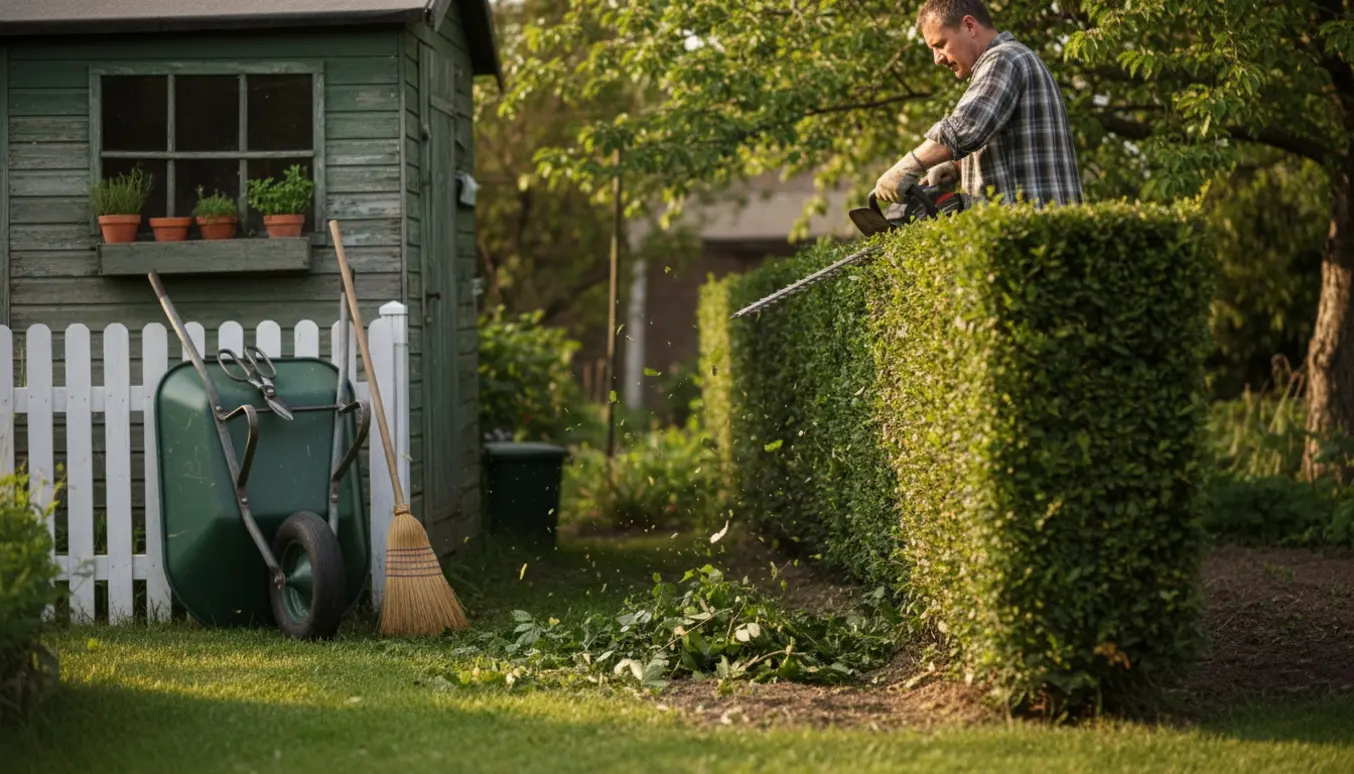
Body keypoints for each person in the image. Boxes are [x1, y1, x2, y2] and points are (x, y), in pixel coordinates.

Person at [873, 0, 1083, 208]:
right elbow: (1007, 144)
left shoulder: (1003, 59)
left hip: (1032, 231)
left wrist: (906, 167)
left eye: (940, 44)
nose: (937, 59)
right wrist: (956, 166)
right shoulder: (1012, 59)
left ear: (970, 26)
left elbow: (964, 129)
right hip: (1032, 226)